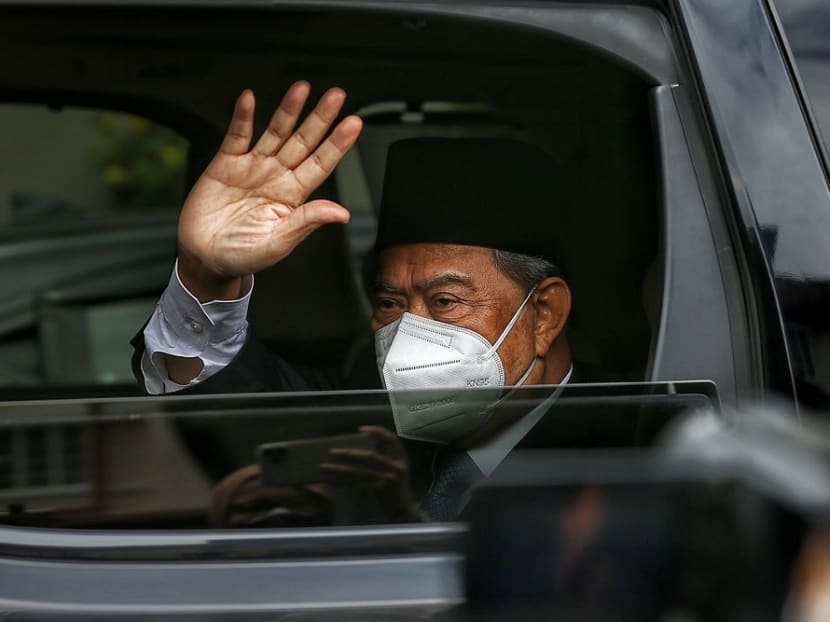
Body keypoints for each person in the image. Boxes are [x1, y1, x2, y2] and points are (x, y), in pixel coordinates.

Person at [133, 81, 588, 521]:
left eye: (446, 302)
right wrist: (205, 271)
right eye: (390, 303)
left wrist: (398, 511)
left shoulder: (632, 437)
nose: (411, 335)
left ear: (544, 314)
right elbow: (234, 394)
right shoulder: (371, 410)